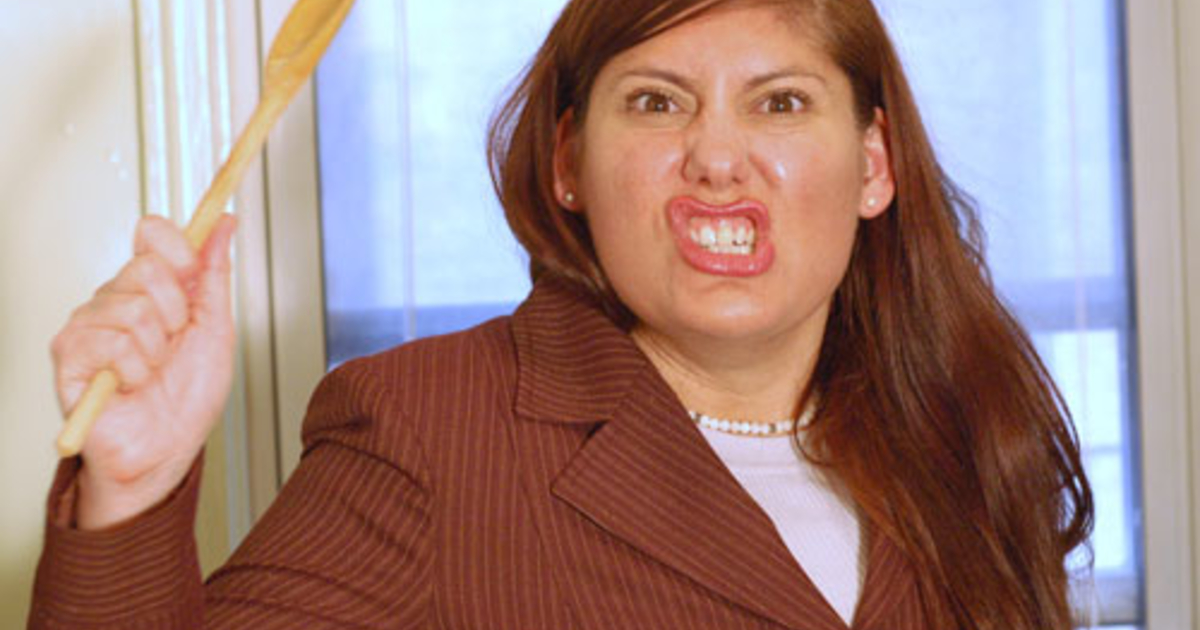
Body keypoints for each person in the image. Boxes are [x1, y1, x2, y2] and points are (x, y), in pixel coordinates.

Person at [30, 0, 1094, 628]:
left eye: (780, 102)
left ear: (873, 165)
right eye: (656, 101)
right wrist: (131, 491)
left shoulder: (965, 433)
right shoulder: (426, 430)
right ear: (568, 165)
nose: (717, 158)